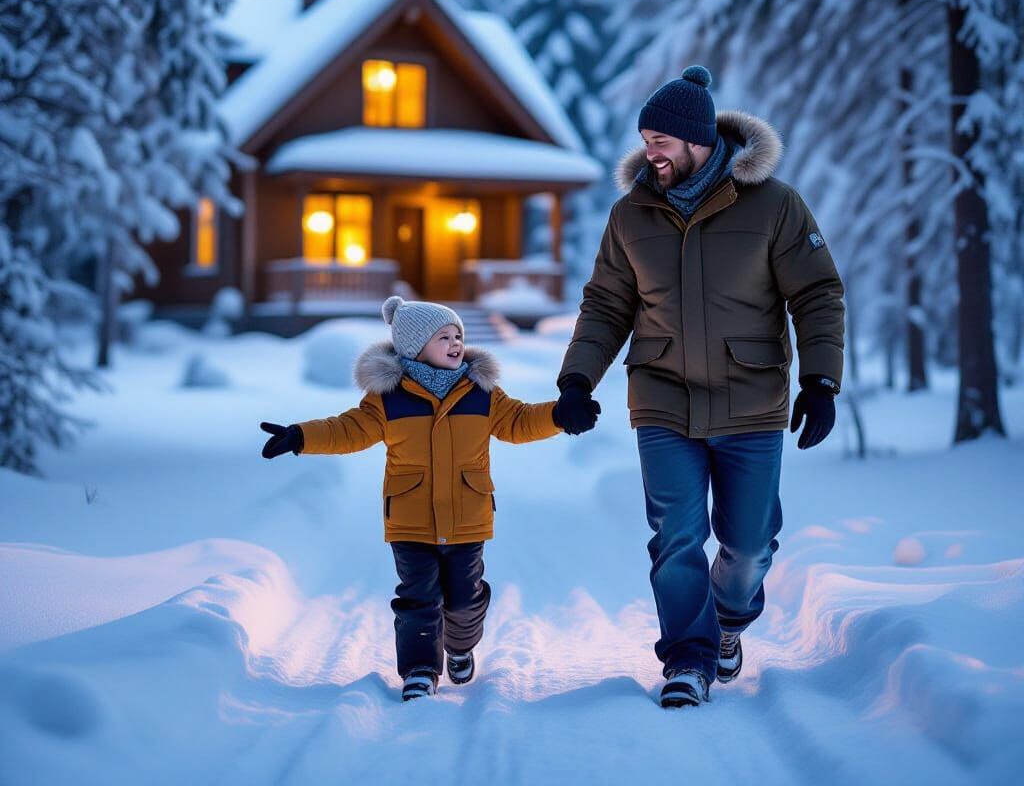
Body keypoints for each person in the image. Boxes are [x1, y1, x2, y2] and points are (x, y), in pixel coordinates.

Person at [553, 65, 845, 708]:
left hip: (753, 400)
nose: (648, 152)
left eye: (660, 139)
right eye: (645, 138)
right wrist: (577, 378)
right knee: (676, 537)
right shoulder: (632, 214)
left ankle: (729, 623)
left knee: (747, 543)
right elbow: (605, 304)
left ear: (698, 141)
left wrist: (822, 379)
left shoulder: (774, 203)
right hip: (662, 398)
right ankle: (688, 659)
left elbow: (817, 292)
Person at [260, 295, 598, 702]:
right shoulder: (388, 399)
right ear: (415, 347)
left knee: (463, 597)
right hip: (410, 519)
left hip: (467, 517)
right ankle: (420, 669)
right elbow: (348, 429)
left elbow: (519, 421)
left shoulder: (482, 392)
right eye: (444, 337)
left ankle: (459, 646)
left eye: (458, 335)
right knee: (418, 596)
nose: (456, 343)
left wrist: (559, 416)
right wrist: (301, 436)